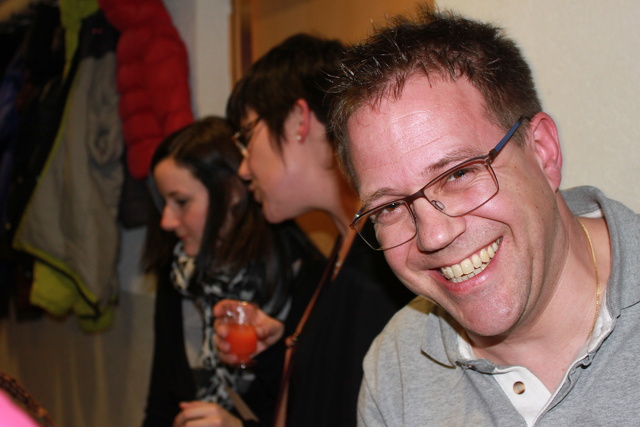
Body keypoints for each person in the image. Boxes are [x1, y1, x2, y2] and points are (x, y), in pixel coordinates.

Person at [326, 4, 640, 426]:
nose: (434, 236)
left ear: (543, 151)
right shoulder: (397, 365)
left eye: (459, 173)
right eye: (391, 207)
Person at [215, 33, 415, 427]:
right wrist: (285, 346)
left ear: (298, 121)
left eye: (247, 137)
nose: (243, 168)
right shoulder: (341, 257)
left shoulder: (385, 264)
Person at [141, 116, 324, 426]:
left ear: (232, 191)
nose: (167, 221)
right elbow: (161, 406)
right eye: (164, 203)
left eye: (181, 201)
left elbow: (311, 412)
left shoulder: (306, 281)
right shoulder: (179, 276)